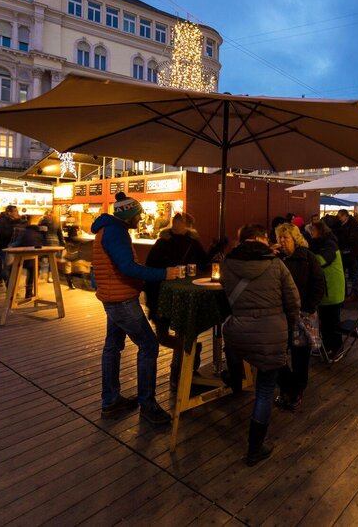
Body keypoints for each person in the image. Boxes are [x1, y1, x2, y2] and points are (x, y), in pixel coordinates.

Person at [93, 192, 181, 425]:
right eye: (139, 215)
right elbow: (127, 267)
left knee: (112, 347)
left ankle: (111, 401)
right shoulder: (116, 232)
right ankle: (148, 405)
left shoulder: (108, 229)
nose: (141, 219)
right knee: (149, 345)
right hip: (121, 299)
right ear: (130, 216)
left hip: (113, 296)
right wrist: (164, 274)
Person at [219, 224, 301, 465]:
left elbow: (226, 294)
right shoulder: (276, 264)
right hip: (271, 334)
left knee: (234, 350)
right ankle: (255, 448)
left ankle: (233, 378)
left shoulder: (228, 264)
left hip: (238, 332)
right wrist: (289, 325)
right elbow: (293, 301)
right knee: (264, 391)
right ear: (258, 239)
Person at [144, 213, 207, 387]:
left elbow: (203, 262)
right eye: (175, 221)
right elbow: (150, 265)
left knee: (181, 331)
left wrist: (217, 249)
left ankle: (177, 374)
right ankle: (192, 349)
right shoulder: (162, 241)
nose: (176, 224)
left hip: (182, 294)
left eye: (180, 221)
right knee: (162, 336)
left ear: (188, 224)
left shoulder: (192, 242)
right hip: (160, 293)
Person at [274, 222, 326, 411]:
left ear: (295, 239)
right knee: (277, 354)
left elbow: (319, 284)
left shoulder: (308, 258)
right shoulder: (277, 259)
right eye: (279, 237)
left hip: (303, 314)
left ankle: (296, 392)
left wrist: (308, 307)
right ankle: (290, 387)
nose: (282, 241)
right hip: (281, 316)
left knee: (300, 356)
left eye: (285, 237)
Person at [308, 221, 345, 360]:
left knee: (332, 322)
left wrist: (305, 253)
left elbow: (320, 261)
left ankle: (337, 348)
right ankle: (326, 346)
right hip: (325, 290)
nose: (311, 233)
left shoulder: (329, 245)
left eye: (313, 231)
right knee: (324, 321)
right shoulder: (320, 244)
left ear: (320, 231)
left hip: (332, 290)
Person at [335, 209, 358, 302]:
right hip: (346, 252)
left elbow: (352, 239)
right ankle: (346, 293)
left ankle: (354, 294)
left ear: (345, 216)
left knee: (353, 274)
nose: (339, 219)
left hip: (351, 253)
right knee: (346, 274)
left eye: (340, 217)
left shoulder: (353, 225)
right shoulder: (343, 224)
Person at [0, 205, 19, 287]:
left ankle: (4, 280)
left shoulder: (13, 220)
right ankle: (7, 283)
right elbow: (2, 233)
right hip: (4, 245)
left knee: (6, 264)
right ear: (9, 212)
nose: (17, 213)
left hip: (10, 246)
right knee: (6, 264)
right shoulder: (1, 220)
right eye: (15, 211)